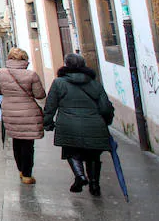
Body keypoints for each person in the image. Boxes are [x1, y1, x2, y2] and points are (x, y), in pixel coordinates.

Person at [43, 53, 115, 196]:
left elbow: (50, 106)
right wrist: (104, 122)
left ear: (66, 65)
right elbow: (106, 107)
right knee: (93, 155)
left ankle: (80, 176)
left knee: (71, 151)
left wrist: (48, 123)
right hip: (94, 125)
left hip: (68, 124)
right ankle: (95, 185)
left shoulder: (59, 83)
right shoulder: (94, 83)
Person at [0, 47, 46, 184]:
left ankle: (21, 169)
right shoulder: (31, 75)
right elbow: (40, 95)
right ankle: (27, 174)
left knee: (16, 140)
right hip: (29, 112)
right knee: (28, 143)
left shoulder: (0, 73)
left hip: (9, 111)